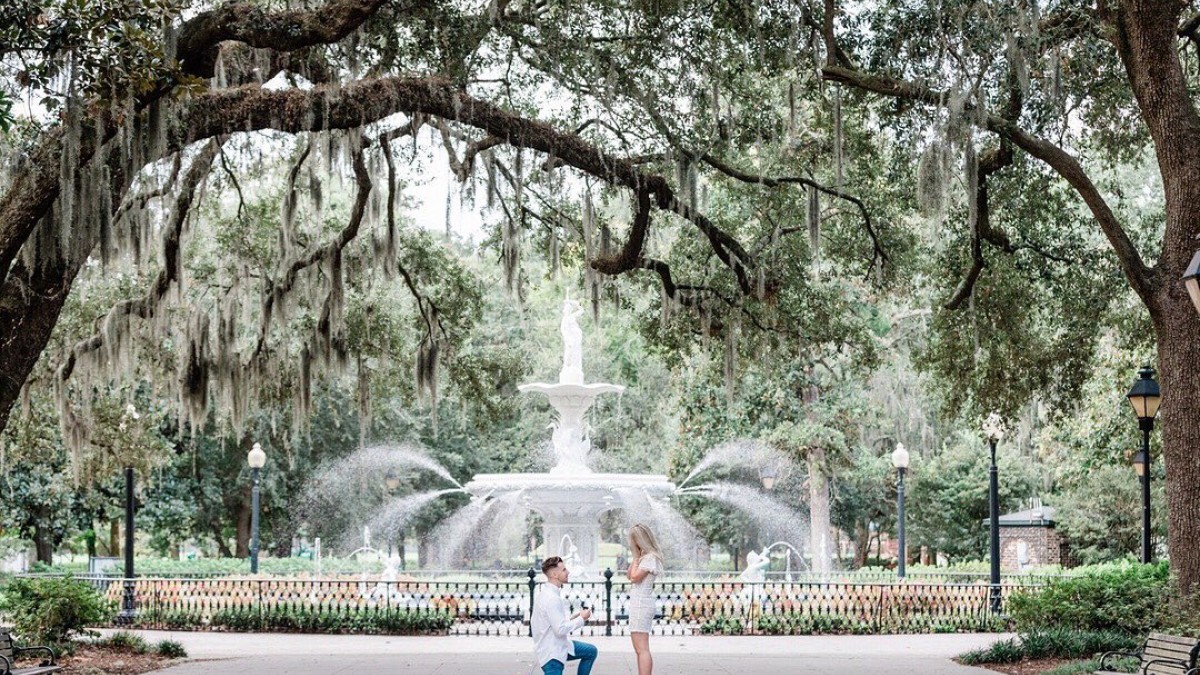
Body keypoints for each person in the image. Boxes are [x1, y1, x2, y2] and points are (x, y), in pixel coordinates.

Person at [531, 556, 597, 675]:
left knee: (591, 651)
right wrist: (582, 619)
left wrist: (574, 617)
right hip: (552, 654)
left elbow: (553, 623)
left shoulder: (547, 594)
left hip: (559, 646)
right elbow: (560, 629)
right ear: (555, 574)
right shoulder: (552, 599)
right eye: (564, 570)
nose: (568, 572)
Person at [626, 523, 663, 675]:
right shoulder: (644, 558)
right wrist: (636, 557)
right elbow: (629, 574)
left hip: (642, 604)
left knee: (642, 649)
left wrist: (636, 557)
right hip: (639, 603)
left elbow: (634, 577)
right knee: (639, 649)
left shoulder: (650, 558)